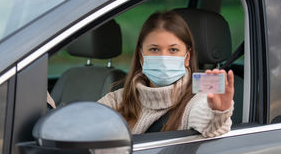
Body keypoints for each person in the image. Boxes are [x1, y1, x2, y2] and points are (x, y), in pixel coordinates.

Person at [97, 11, 234, 137]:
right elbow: (86, 122)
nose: (163, 58)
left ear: (187, 57)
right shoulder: (120, 98)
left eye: (173, 50)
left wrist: (218, 113)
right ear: (141, 56)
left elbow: (208, 122)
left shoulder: (203, 91)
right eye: (154, 49)